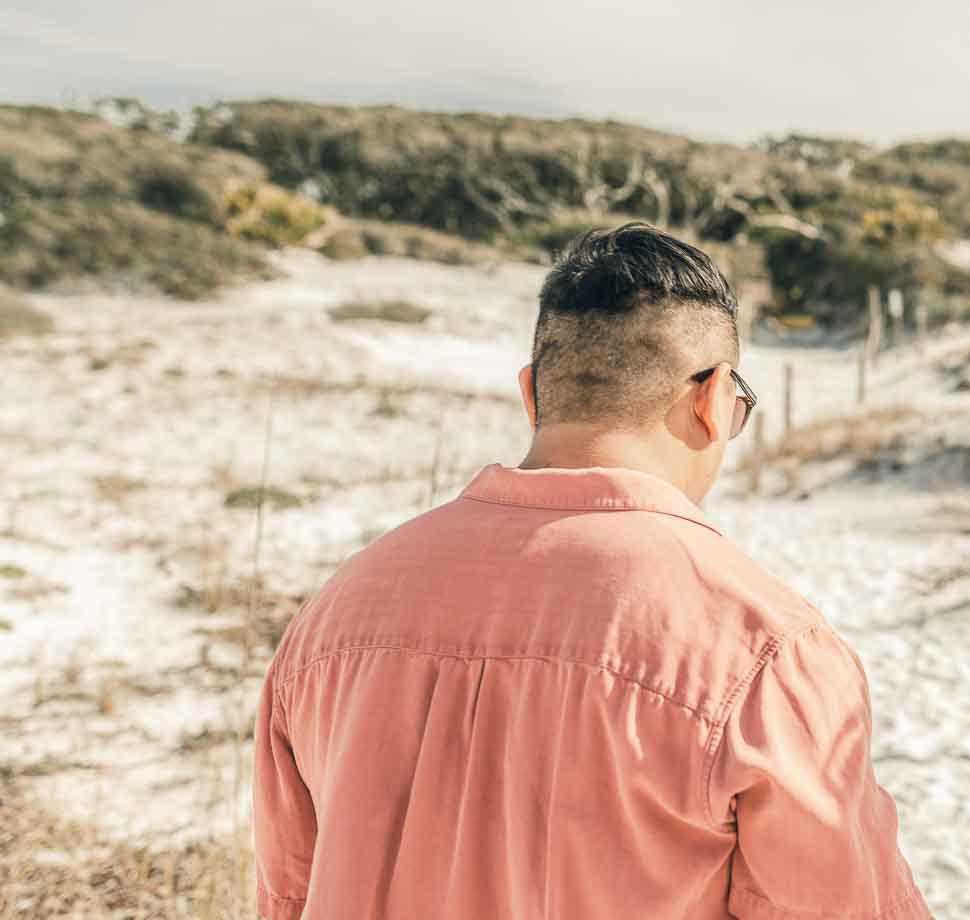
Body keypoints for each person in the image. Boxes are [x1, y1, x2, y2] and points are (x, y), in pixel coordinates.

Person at [253, 223, 930, 920]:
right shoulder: (765, 646)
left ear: (532, 394)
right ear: (714, 399)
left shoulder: (334, 614)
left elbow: (287, 894)